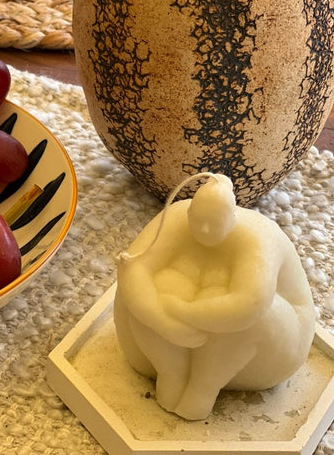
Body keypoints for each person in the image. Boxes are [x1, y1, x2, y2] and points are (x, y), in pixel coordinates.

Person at [114, 174, 315, 420]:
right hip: (168, 343)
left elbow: (248, 305)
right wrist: (163, 322)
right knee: (141, 287)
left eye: (214, 222)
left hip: (269, 353)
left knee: (264, 312)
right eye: (198, 221)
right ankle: (171, 372)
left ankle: (203, 388)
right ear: (190, 213)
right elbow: (134, 269)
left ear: (232, 217)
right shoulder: (176, 216)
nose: (204, 230)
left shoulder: (259, 238)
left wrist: (181, 311)